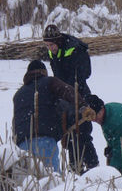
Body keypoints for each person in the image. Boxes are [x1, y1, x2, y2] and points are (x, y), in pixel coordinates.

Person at [12, 60, 87, 172]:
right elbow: (67, 91)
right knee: (51, 179)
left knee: (29, 182)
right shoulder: (49, 82)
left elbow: (15, 121)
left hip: (22, 144)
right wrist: (83, 106)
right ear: (44, 72)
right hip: (43, 139)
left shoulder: (18, 94)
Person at [42, 24, 99, 171]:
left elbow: (85, 74)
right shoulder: (52, 53)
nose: (50, 48)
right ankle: (75, 168)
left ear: (58, 40)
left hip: (80, 94)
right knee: (70, 135)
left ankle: (93, 166)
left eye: (52, 45)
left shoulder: (75, 49)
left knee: (83, 132)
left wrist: (73, 91)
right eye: (47, 45)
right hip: (64, 96)